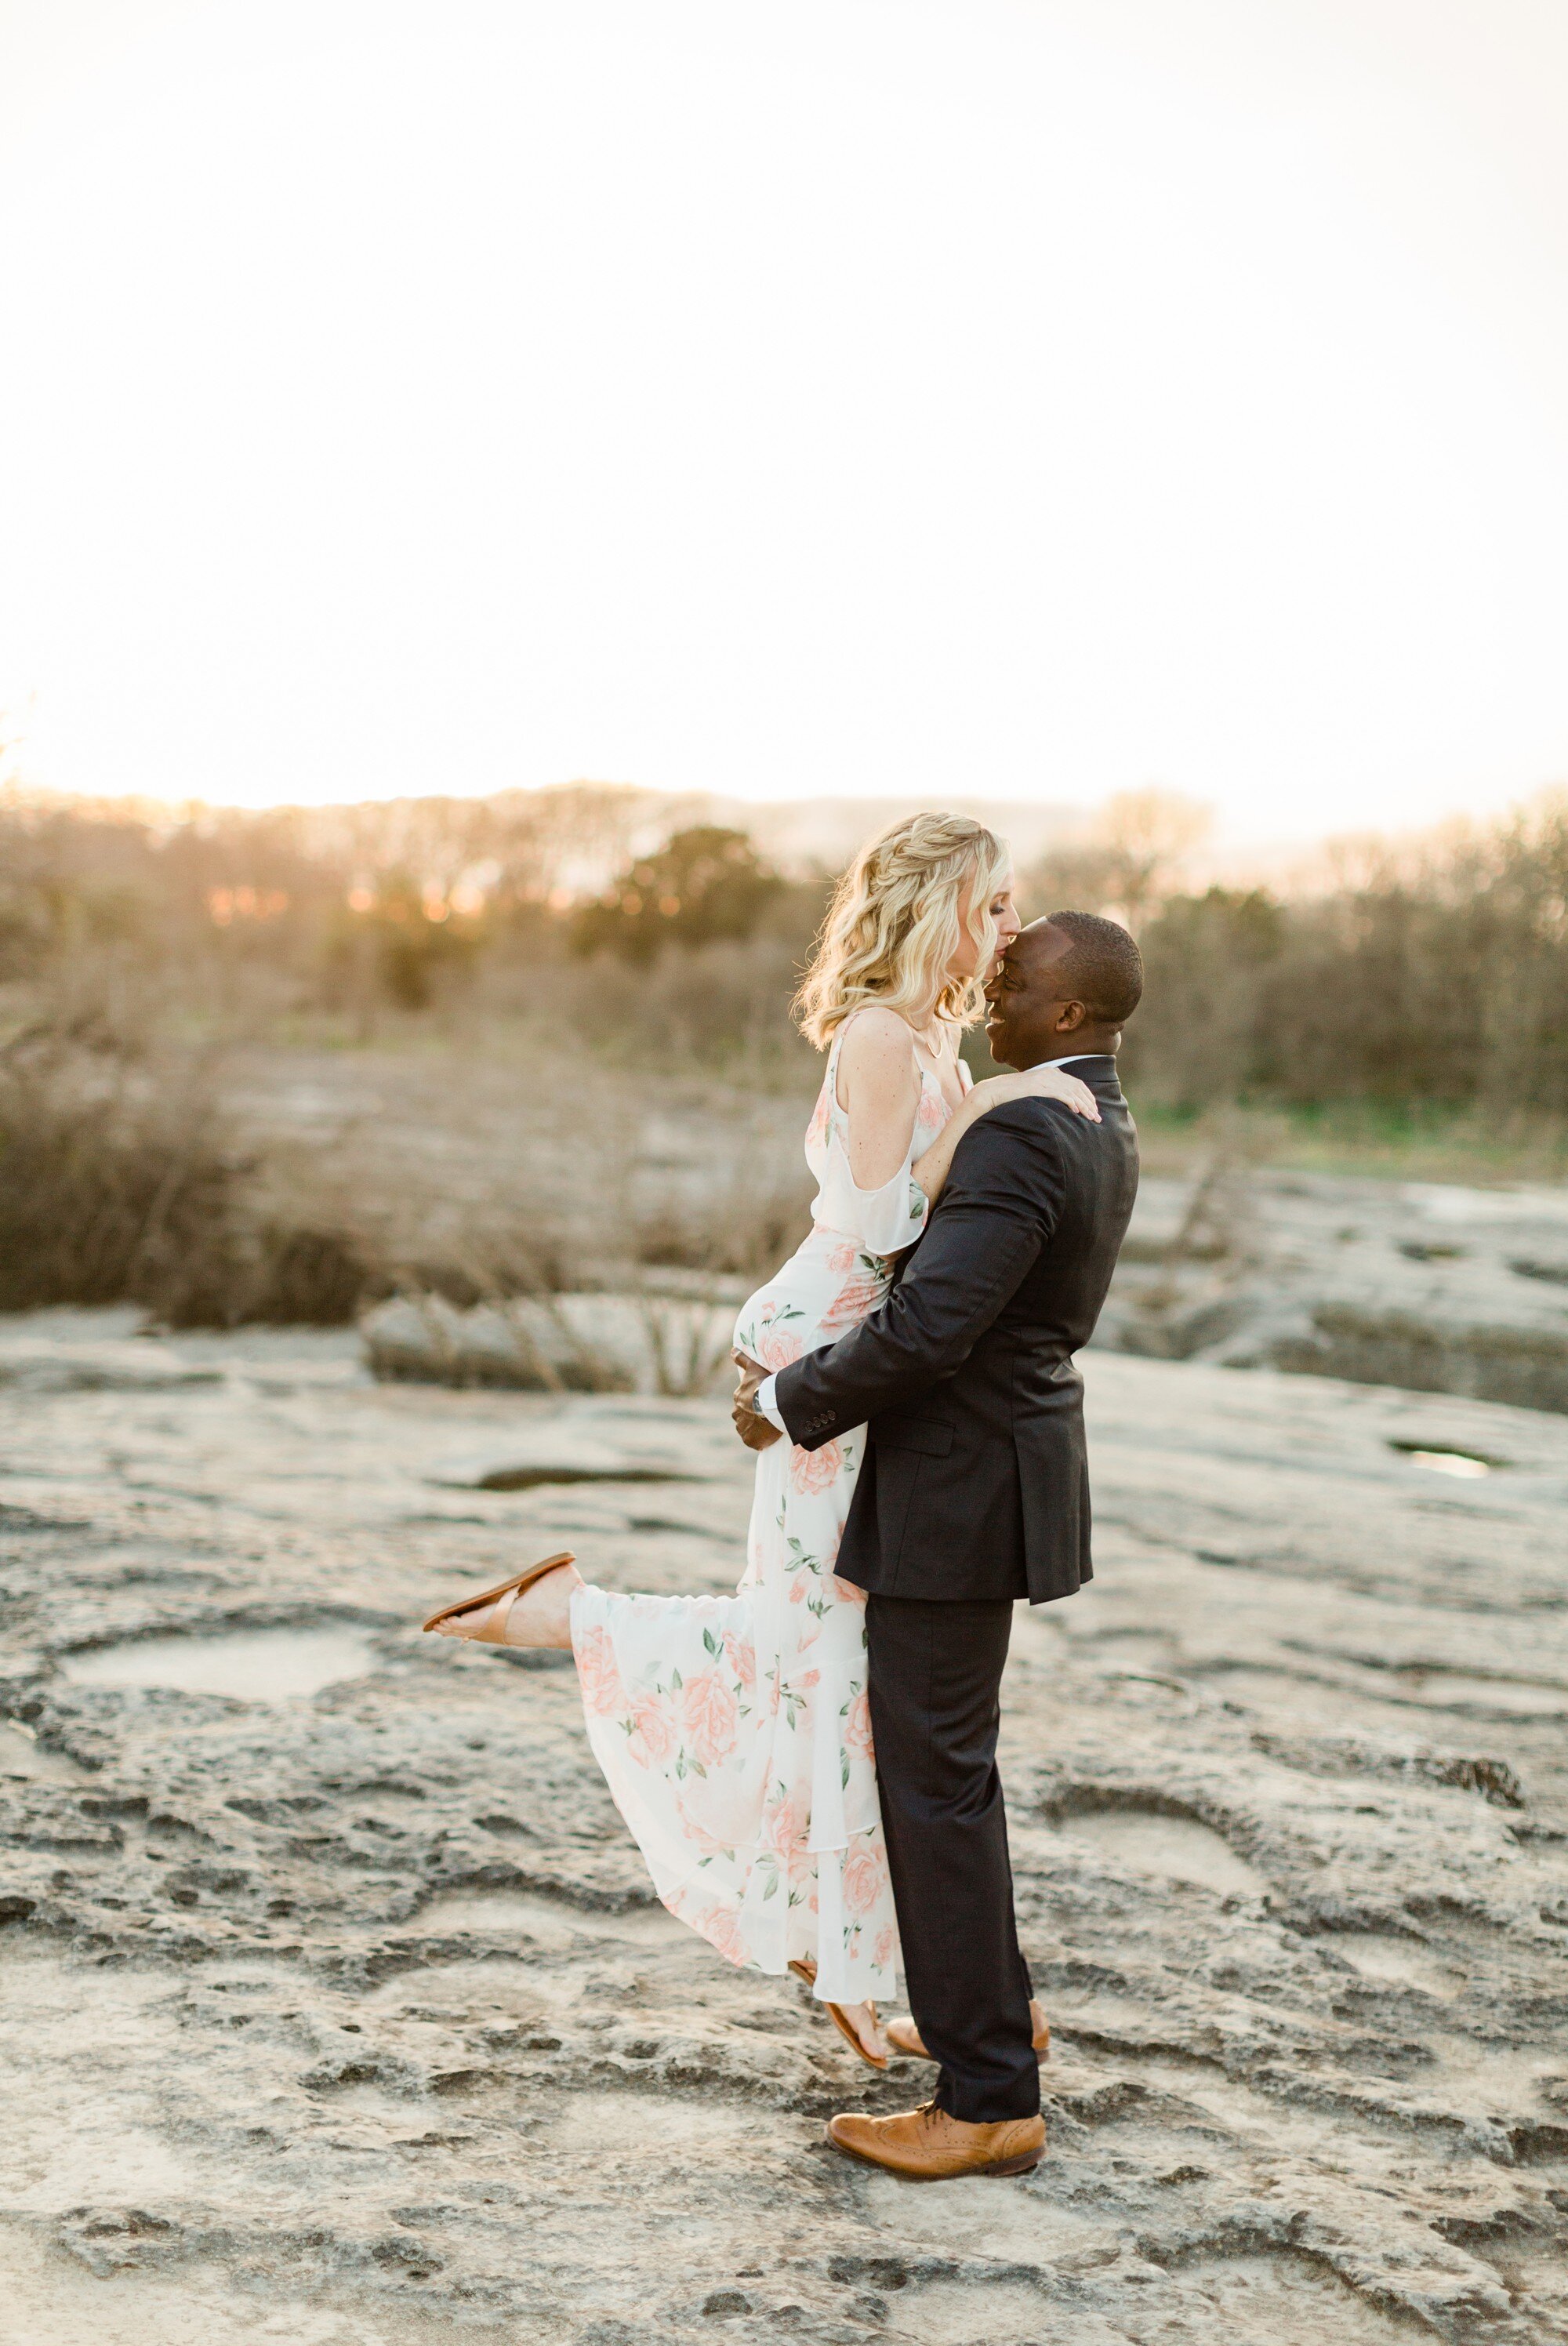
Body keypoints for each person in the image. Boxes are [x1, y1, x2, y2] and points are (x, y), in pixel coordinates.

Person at [422, 814, 1099, 2066]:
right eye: (993, 905)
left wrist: (992, 1095)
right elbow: (890, 1219)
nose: (1010, 929)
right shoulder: (883, 1034)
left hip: (853, 1348)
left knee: (833, 1660)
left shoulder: (925, 1034)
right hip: (828, 1343)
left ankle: (841, 1962)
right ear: (937, 906)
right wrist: (1002, 1103)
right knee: (803, 1641)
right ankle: (574, 1617)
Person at [731, 911, 1142, 2180]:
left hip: (959, 1492)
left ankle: (988, 2101)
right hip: (988, 1479)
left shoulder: (1028, 1127)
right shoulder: (1086, 1110)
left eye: (1018, 979)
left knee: (934, 1781)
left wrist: (787, 1402)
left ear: (1070, 1014)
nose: (994, 980)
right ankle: (994, 2018)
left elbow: (933, 1325)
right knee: (953, 1771)